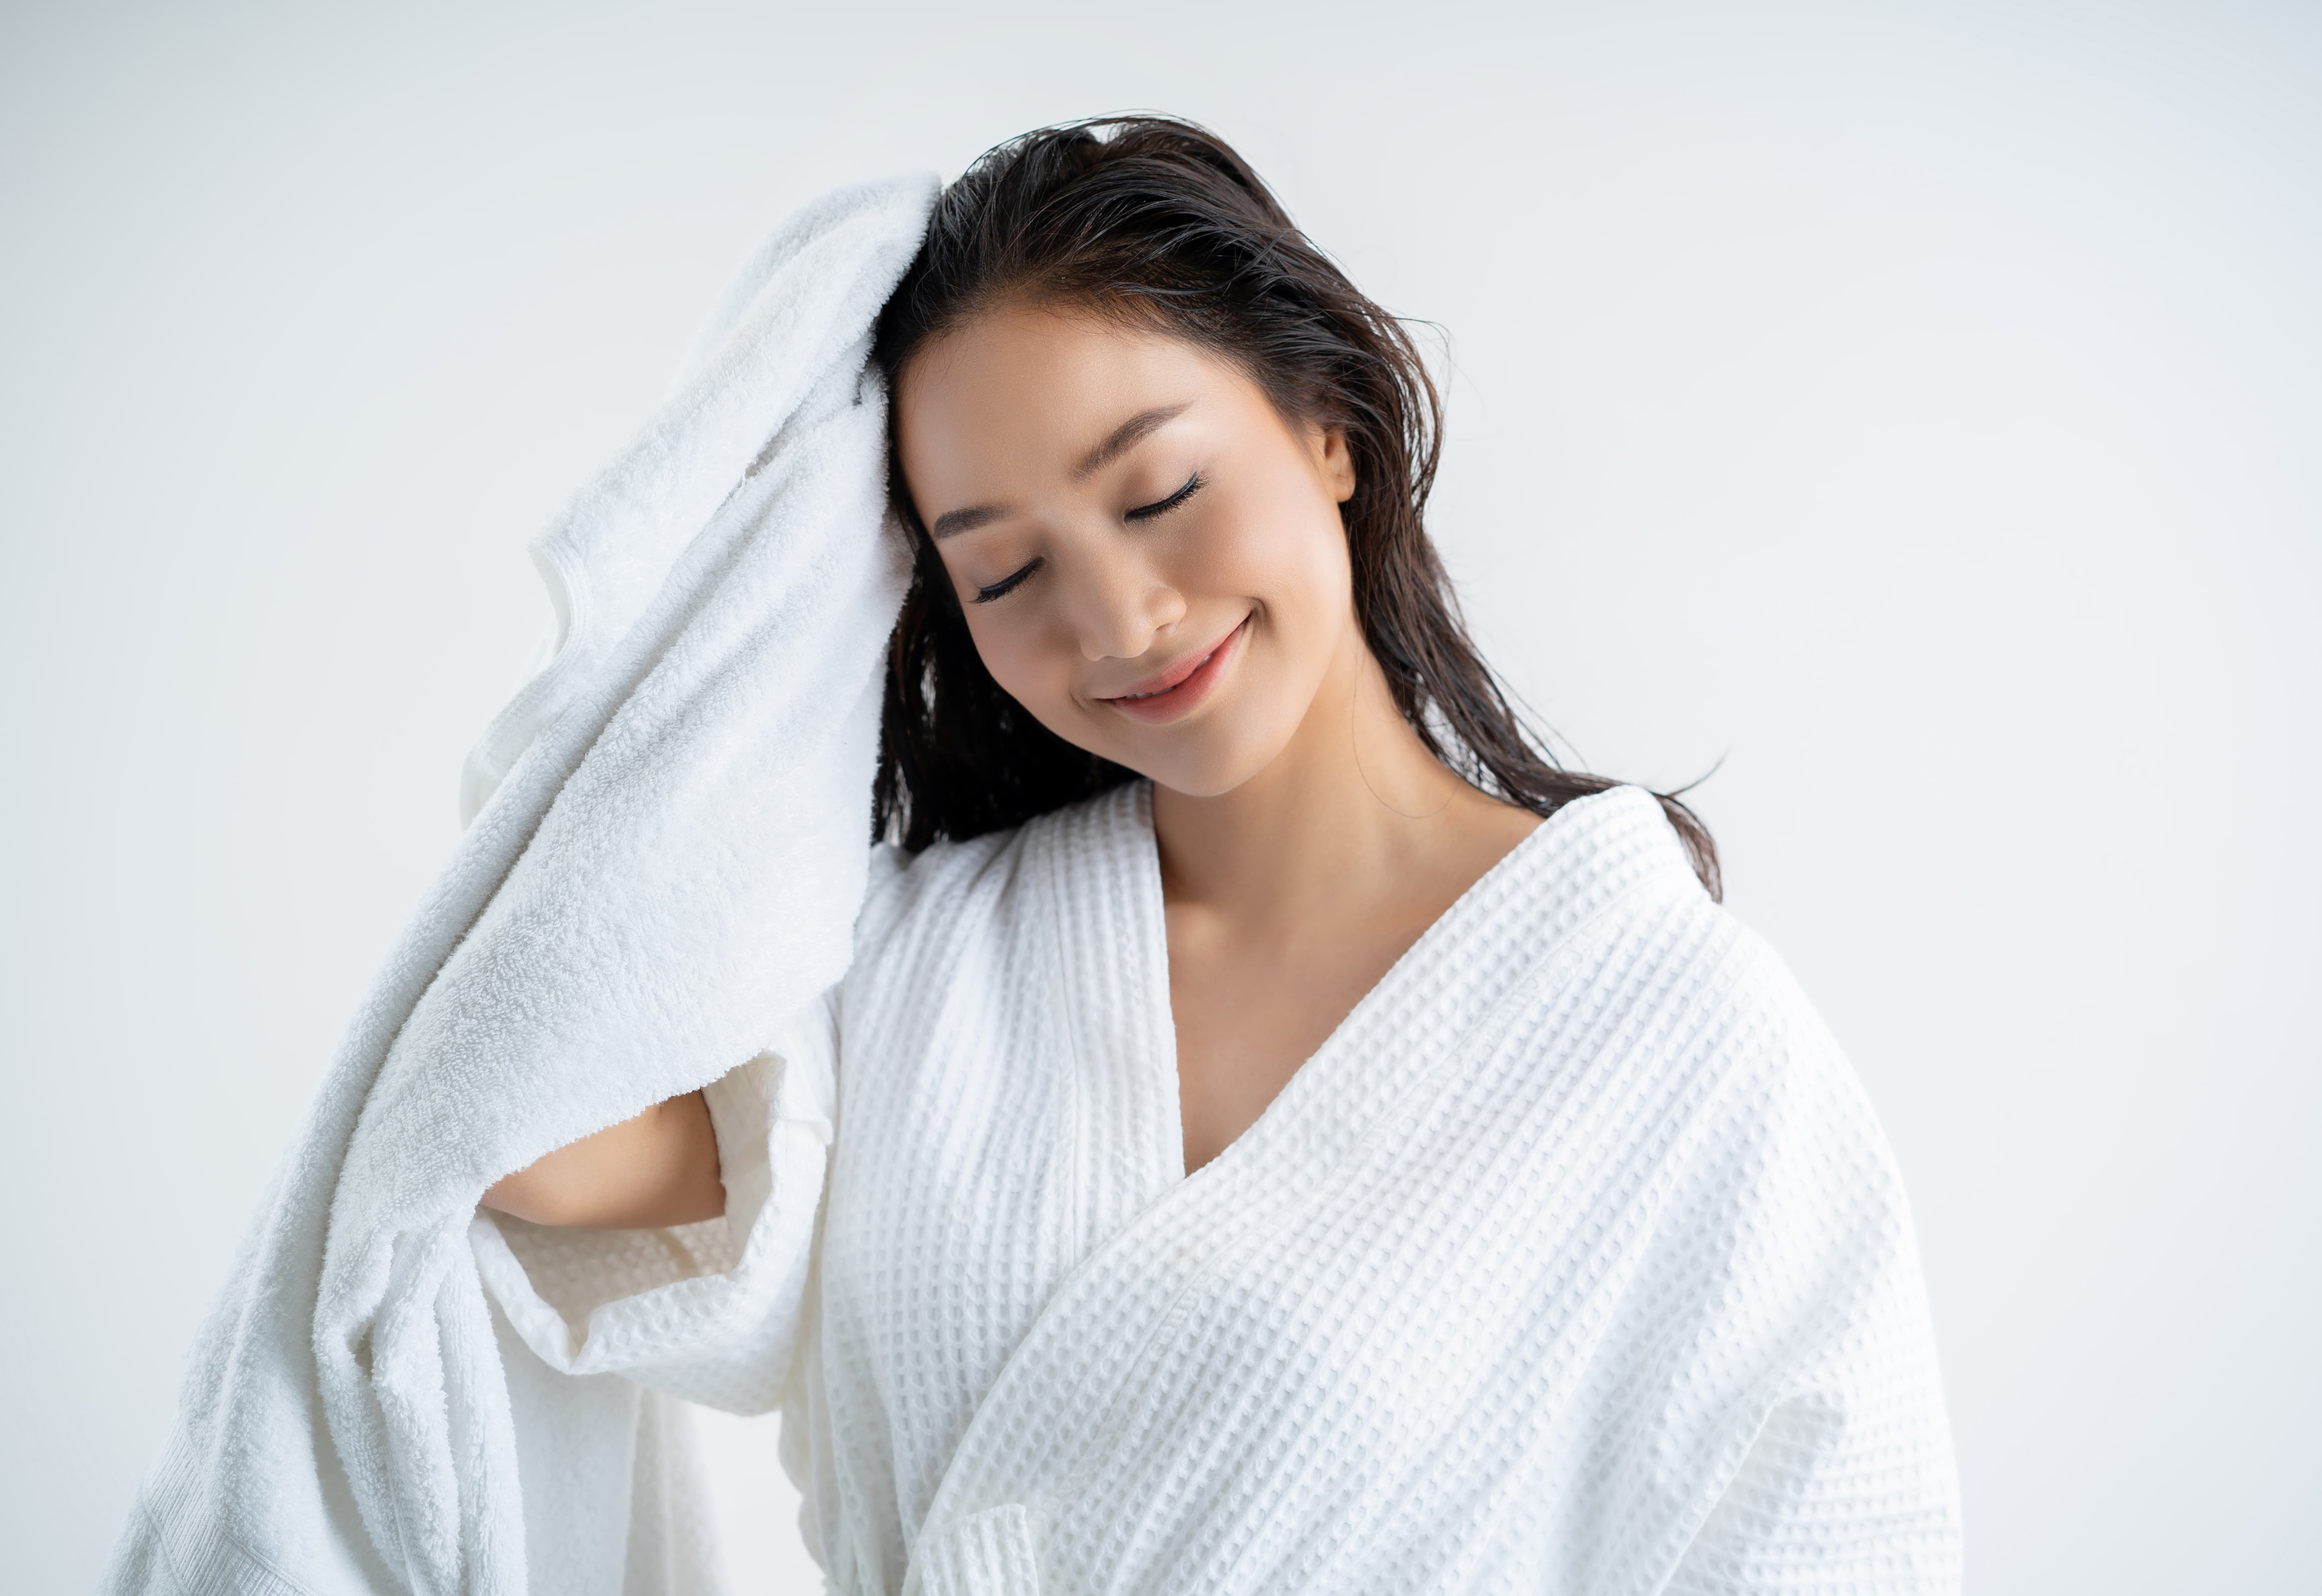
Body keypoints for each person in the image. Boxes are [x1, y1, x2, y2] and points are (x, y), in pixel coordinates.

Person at [483, 117, 1962, 1594]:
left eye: (1158, 495)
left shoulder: (1677, 1040)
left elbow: (1829, 1546)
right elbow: (504, 1120)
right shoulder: (910, 969)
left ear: (1330, 428)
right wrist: (747, 584)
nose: (1119, 620)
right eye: (1004, 570)